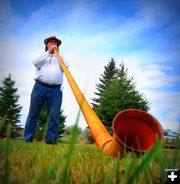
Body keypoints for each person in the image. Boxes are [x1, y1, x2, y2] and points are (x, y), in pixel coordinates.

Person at [24, 35, 64, 144]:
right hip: (39, 87)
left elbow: (67, 66)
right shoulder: (42, 57)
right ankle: (28, 139)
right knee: (33, 113)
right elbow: (35, 62)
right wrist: (48, 53)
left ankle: (51, 142)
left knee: (54, 116)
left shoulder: (61, 59)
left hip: (56, 90)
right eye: (50, 42)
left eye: (55, 42)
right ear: (47, 45)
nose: (53, 44)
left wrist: (57, 55)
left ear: (58, 45)